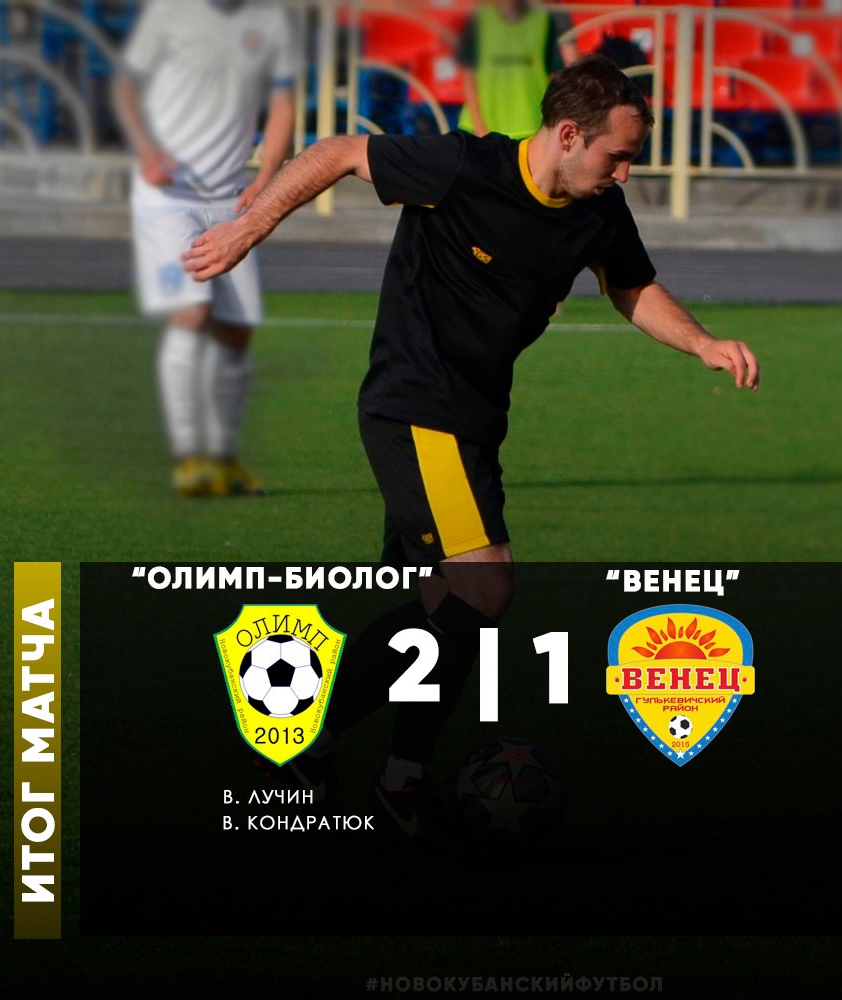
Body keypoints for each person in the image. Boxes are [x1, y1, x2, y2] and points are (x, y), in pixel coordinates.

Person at [184, 55, 759, 843]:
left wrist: (701, 342)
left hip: (476, 423)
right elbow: (341, 152)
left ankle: (328, 754)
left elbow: (630, 285)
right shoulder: (463, 166)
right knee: (485, 589)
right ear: (568, 134)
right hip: (417, 408)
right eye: (617, 156)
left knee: (441, 609)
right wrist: (246, 230)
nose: (625, 174)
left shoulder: (598, 210)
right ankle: (376, 769)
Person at [114, 0, 298, 497]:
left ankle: (222, 457)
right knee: (192, 313)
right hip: (167, 198)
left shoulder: (270, 19)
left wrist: (267, 175)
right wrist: (147, 152)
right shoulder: (169, 11)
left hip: (230, 199)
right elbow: (127, 87)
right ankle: (188, 459)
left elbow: (282, 101)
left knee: (236, 332)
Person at [457, 0, 579, 140]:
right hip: (481, 129)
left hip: (531, 125)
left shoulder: (545, 20)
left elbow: (556, 73)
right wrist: (479, 127)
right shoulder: (481, 17)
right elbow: (468, 75)